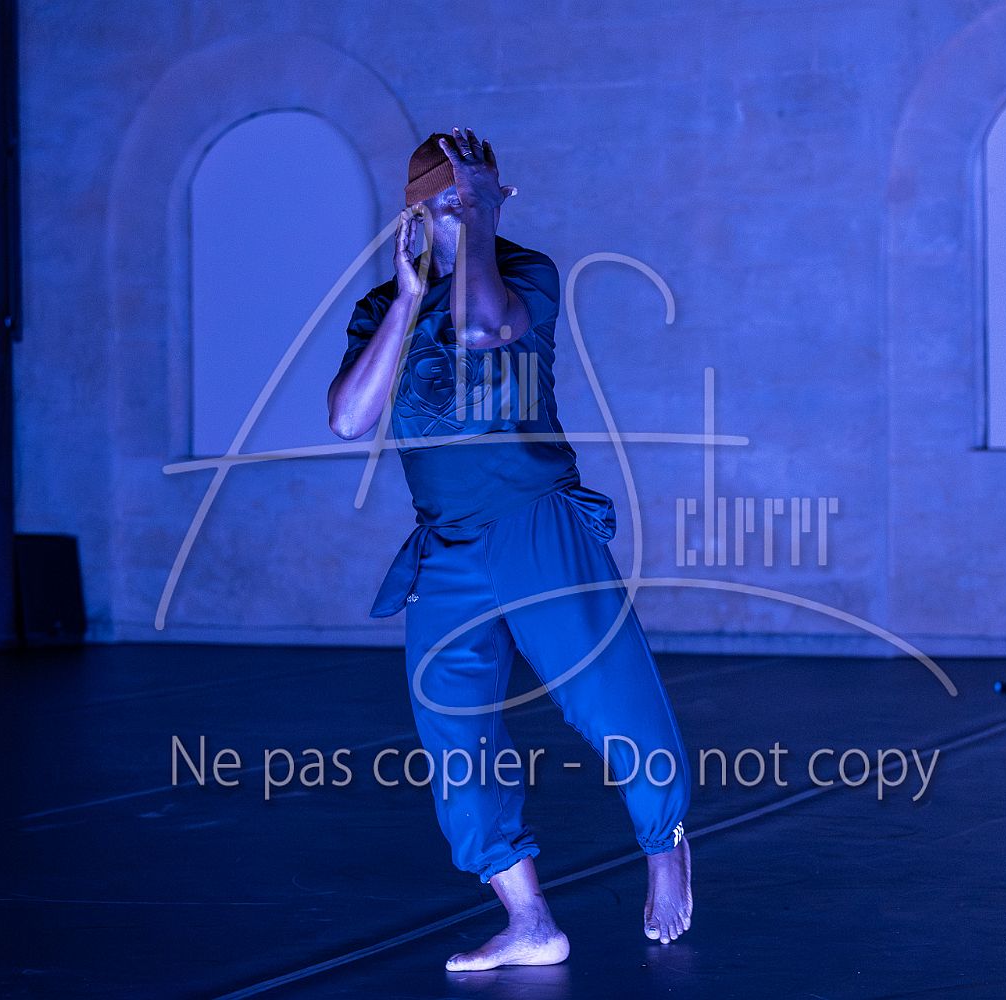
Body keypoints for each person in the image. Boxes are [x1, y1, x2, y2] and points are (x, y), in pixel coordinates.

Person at [327, 127, 692, 971]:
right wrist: (408, 299)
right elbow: (348, 418)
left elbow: (485, 329)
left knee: (606, 695)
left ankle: (665, 842)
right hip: (445, 544)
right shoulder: (381, 308)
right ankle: (528, 919)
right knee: (452, 733)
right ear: (415, 213)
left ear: (495, 203)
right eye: (443, 204)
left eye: (471, 200)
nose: (455, 215)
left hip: (535, 521)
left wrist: (479, 220)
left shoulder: (528, 273)